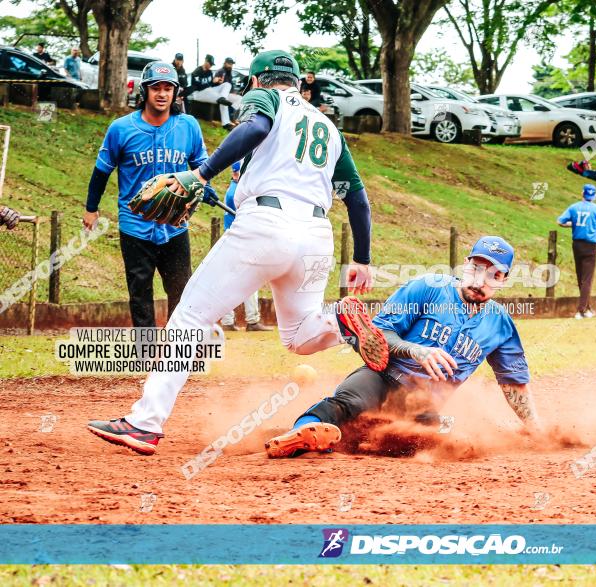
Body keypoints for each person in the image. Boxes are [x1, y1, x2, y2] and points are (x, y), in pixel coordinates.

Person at [87, 49, 387, 457]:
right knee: (300, 337)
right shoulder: (328, 127)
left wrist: (200, 172)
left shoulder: (266, 96)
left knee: (191, 316)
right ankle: (341, 322)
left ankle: (144, 424)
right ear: (299, 82)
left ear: (258, 79)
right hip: (316, 234)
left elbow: (256, 127)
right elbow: (358, 201)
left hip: (265, 225)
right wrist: (363, 259)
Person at [265, 236, 543, 459]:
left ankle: (344, 437)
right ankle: (299, 434)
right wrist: (416, 350)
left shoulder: (500, 326)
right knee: (351, 403)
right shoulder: (428, 287)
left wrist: (538, 431)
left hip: (421, 405)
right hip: (382, 375)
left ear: (504, 280)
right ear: (465, 265)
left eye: (493, 274)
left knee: (426, 440)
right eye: (476, 269)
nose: (480, 280)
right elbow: (380, 334)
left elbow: (514, 385)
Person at [83, 62, 208, 328]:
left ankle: (178, 351)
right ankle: (147, 357)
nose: (162, 94)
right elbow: (101, 171)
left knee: (182, 290)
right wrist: (91, 208)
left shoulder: (188, 126)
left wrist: (203, 191)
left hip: (175, 224)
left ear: (175, 93)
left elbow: (202, 168)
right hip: (135, 225)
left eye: (168, 88)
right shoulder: (121, 128)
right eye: (155, 88)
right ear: (144, 91)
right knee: (140, 292)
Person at [220, 160, 271, 332]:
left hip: (239, 240)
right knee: (239, 281)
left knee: (245, 281)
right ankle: (241, 321)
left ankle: (248, 320)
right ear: (236, 173)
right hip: (239, 240)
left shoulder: (236, 190)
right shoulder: (235, 192)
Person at [557, 184, 596, 319]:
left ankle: (587, 308)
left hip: (577, 245)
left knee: (581, 277)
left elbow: (560, 221)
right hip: (591, 245)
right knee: (587, 279)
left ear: (582, 193)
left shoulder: (574, 207)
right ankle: (581, 310)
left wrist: (572, 224)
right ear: (595, 196)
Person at [188, 55, 237, 130]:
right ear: (205, 61)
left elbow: (210, 84)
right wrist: (211, 86)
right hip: (198, 93)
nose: (210, 65)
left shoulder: (210, 72)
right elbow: (197, 86)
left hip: (209, 91)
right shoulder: (197, 71)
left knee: (227, 84)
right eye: (210, 63)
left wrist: (216, 82)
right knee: (209, 90)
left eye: (211, 64)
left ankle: (223, 100)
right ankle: (224, 104)